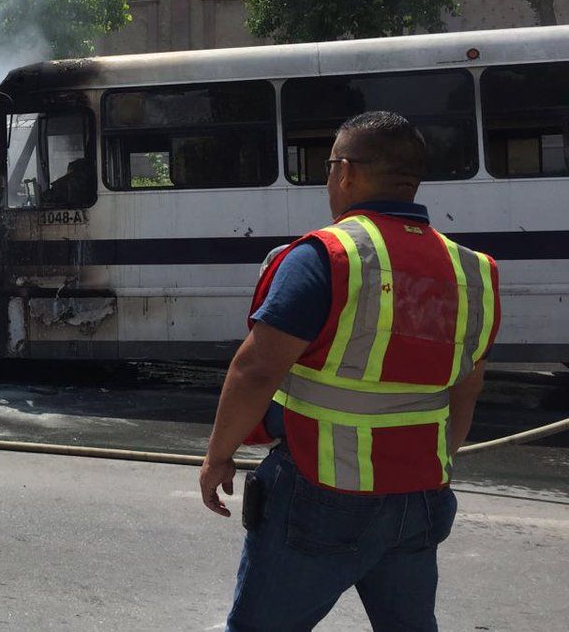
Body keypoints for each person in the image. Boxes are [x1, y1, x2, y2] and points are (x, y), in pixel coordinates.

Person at [200, 111, 500, 632]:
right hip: (421, 496)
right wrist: (435, 465)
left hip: (323, 489)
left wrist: (217, 457)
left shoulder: (327, 256)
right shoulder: (473, 271)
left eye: (328, 167)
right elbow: (466, 392)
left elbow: (255, 369)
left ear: (345, 172)